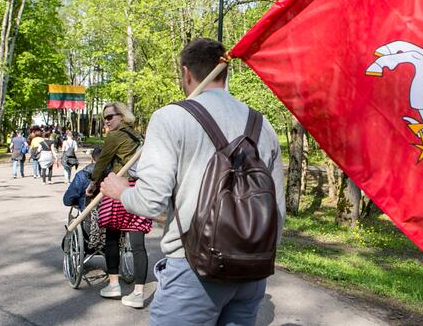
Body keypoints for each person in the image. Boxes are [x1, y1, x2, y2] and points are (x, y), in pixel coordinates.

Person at [101, 38, 285, 324]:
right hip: (252, 272)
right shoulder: (264, 125)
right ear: (225, 73)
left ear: (186, 73)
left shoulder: (171, 117)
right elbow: (277, 211)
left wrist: (121, 190)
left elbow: (151, 202)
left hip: (194, 270)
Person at [87, 101, 150, 309]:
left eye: (110, 117)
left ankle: (114, 285)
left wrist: (92, 183)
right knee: (138, 244)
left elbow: (102, 162)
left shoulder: (115, 136)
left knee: (112, 239)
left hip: (119, 187)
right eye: (104, 118)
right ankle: (138, 293)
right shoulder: (137, 135)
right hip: (139, 189)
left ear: (121, 116)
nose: (107, 122)